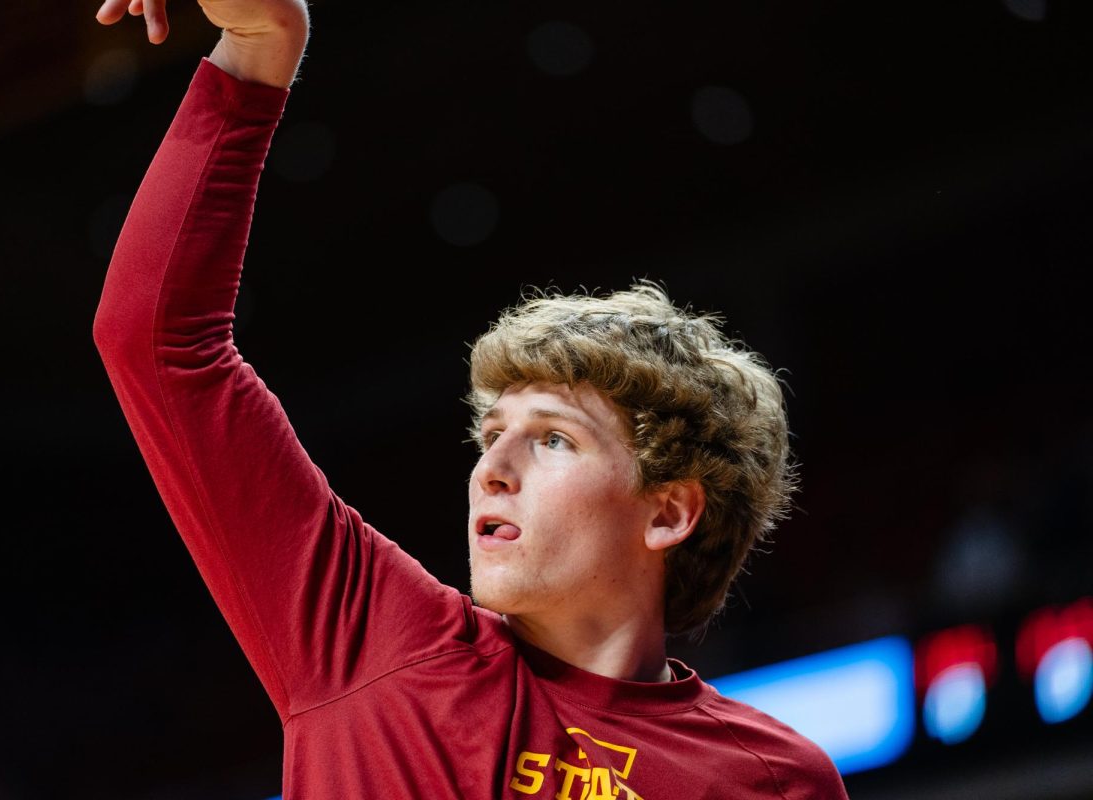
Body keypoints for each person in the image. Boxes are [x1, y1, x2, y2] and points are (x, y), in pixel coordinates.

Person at [91, 0, 850, 797]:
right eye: (491, 434)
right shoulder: (367, 639)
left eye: (553, 439)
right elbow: (155, 338)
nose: (492, 469)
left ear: (668, 512)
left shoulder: (772, 781)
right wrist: (259, 46)